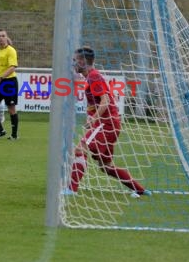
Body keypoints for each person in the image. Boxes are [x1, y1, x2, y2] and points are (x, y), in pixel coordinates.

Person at [63, 46, 151, 198]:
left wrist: (95, 118)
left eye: (75, 60)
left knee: (80, 149)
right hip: (109, 124)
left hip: (105, 123)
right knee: (106, 167)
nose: (73, 63)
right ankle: (141, 190)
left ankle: (71, 190)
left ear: (83, 62)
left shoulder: (94, 76)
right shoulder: (91, 76)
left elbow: (105, 101)